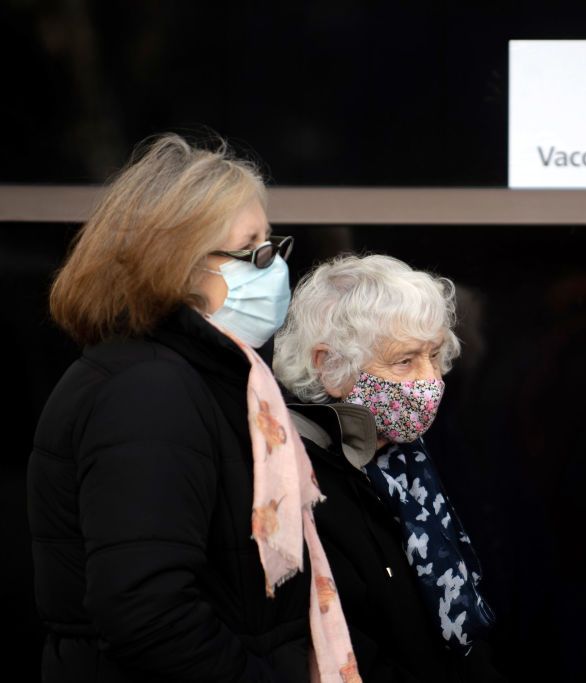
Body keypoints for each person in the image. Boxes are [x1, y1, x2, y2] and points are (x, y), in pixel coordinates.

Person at [27, 133, 359, 682]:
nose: (272, 266)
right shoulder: (147, 392)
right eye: (251, 250)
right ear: (174, 265)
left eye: (272, 245)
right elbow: (149, 613)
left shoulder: (214, 378)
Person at [274, 254, 504, 682]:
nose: (430, 379)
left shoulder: (411, 462)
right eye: (405, 361)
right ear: (329, 366)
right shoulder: (297, 481)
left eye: (434, 355)